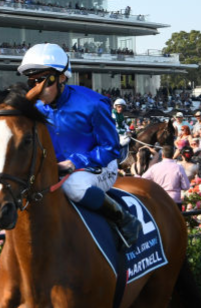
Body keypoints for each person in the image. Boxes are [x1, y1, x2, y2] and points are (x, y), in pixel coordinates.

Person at [17, 43, 140, 246]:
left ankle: (123, 218)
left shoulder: (93, 104)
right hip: (56, 169)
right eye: (33, 82)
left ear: (62, 77)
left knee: (74, 186)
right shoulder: (35, 108)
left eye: (42, 80)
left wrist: (75, 162)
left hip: (98, 166)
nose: (37, 88)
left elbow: (111, 148)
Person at [141, 145, 189, 210]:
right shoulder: (179, 167)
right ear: (173, 155)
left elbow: (143, 179)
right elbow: (186, 186)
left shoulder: (155, 167)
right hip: (174, 201)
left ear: (162, 155)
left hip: (159, 199)